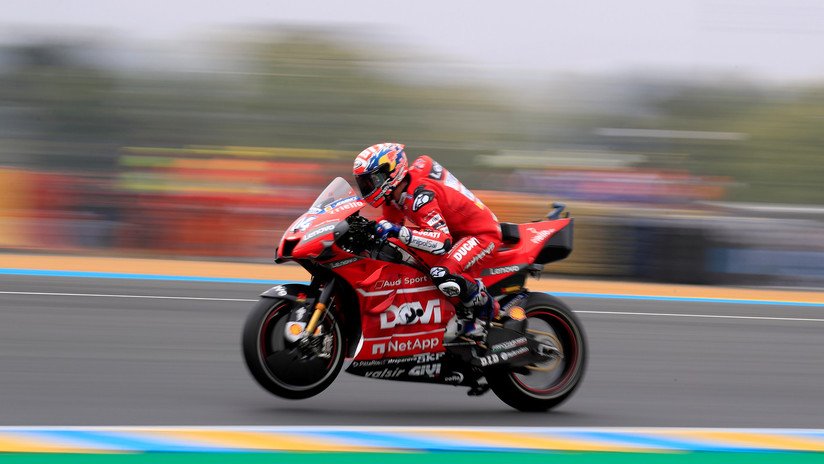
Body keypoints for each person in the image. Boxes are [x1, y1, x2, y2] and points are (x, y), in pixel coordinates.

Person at [353, 142, 502, 340]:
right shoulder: (393, 196)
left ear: (391, 172)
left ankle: (487, 311)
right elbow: (389, 225)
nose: (367, 187)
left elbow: (442, 241)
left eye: (371, 180)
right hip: (457, 234)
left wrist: (399, 231)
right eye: (363, 183)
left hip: (480, 235)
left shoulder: (420, 195)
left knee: (441, 273)